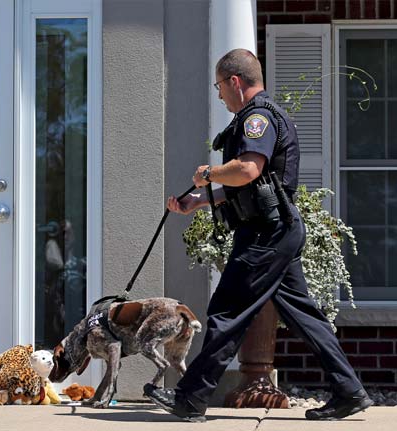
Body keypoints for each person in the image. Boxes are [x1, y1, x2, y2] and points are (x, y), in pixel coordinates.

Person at [146, 49, 372, 422]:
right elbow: (250, 187)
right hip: (277, 230)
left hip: (266, 234)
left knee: (228, 310)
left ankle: (190, 399)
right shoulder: (256, 118)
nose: (219, 95)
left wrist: (209, 173)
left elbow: (248, 170)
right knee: (305, 316)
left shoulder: (258, 118)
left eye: (220, 86)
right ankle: (349, 392)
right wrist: (199, 201)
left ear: (235, 81)